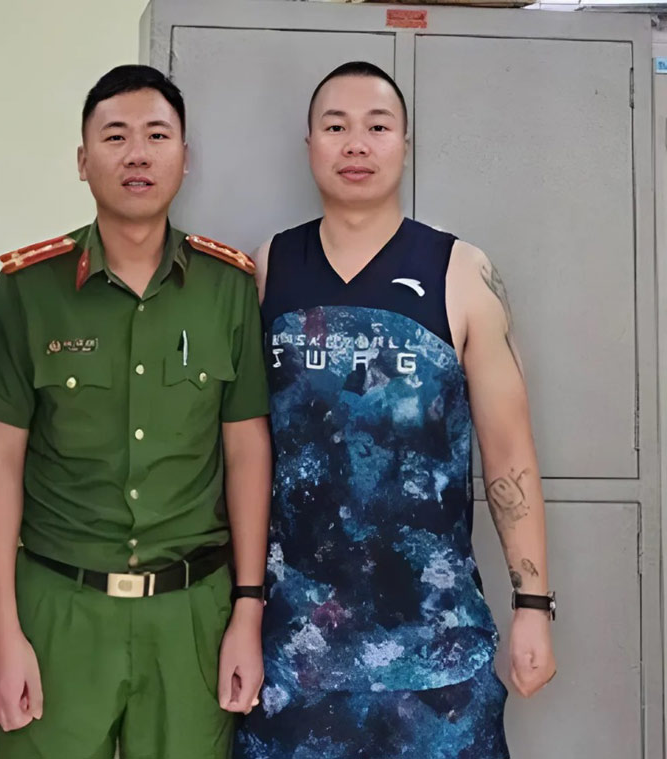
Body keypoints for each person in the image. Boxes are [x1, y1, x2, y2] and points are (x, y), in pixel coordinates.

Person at [234, 61, 558, 759]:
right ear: (310, 144)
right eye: (336, 126)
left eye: (377, 127)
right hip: (298, 657)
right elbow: (244, 451)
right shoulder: (267, 269)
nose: (356, 144)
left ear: (405, 144)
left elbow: (508, 450)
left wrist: (533, 606)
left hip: (439, 658)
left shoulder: (461, 272)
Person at [0, 64, 272, 759]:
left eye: (157, 135)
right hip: (59, 608)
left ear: (184, 159)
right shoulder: (27, 291)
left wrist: (247, 608)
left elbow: (247, 449)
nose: (137, 153)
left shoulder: (226, 288)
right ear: (82, 160)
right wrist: (4, 630)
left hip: (191, 611)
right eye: (115, 136)